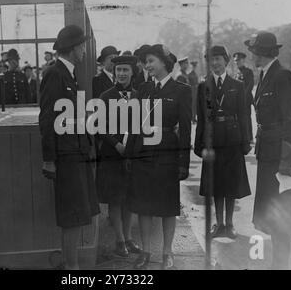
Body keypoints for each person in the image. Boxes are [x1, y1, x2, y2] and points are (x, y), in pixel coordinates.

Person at [126, 44, 191, 270]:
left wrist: (184, 163)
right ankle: (146, 251)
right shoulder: (142, 89)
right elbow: (135, 125)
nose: (147, 65)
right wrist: (129, 156)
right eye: (146, 62)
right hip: (143, 153)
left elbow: (185, 129)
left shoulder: (181, 90)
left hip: (167, 154)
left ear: (164, 63)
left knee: (167, 205)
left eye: (151, 60)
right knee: (144, 205)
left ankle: (167, 252)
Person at [39, 25, 100, 270]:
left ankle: (70, 265)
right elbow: (47, 119)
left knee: (76, 215)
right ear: (73, 48)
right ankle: (71, 269)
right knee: (71, 217)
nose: (85, 50)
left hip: (75, 153)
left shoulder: (68, 74)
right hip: (65, 156)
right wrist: (49, 159)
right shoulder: (55, 74)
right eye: (82, 46)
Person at [245, 31, 291, 269]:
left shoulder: (282, 76)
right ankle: (277, 264)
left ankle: (280, 265)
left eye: (254, 51)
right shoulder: (266, 75)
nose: (252, 55)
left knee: (282, 215)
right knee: (272, 213)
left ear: (263, 53)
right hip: (268, 152)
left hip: (281, 155)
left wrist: (287, 155)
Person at [194, 45, 252, 239]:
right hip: (212, 141)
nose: (215, 63)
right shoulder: (203, 86)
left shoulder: (237, 85)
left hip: (233, 139)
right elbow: (201, 116)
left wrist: (247, 140)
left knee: (231, 184)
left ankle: (229, 224)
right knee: (216, 184)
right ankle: (218, 224)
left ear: (226, 61)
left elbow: (244, 115)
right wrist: (198, 143)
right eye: (211, 59)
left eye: (218, 59)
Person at [97, 55, 141, 257]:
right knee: (115, 199)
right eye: (118, 70)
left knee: (129, 197)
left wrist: (131, 149)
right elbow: (100, 127)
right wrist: (116, 145)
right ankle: (119, 240)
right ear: (114, 73)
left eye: (125, 70)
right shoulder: (106, 96)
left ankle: (129, 238)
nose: (122, 74)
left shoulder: (138, 96)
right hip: (111, 154)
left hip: (131, 156)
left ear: (132, 72)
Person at [233, 52, 255, 142]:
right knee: (240, 118)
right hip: (238, 100)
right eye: (236, 61)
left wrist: (243, 97)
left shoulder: (248, 71)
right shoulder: (236, 73)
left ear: (243, 60)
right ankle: (243, 137)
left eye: (239, 60)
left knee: (247, 118)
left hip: (246, 99)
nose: (237, 62)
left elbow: (250, 85)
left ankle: (250, 138)